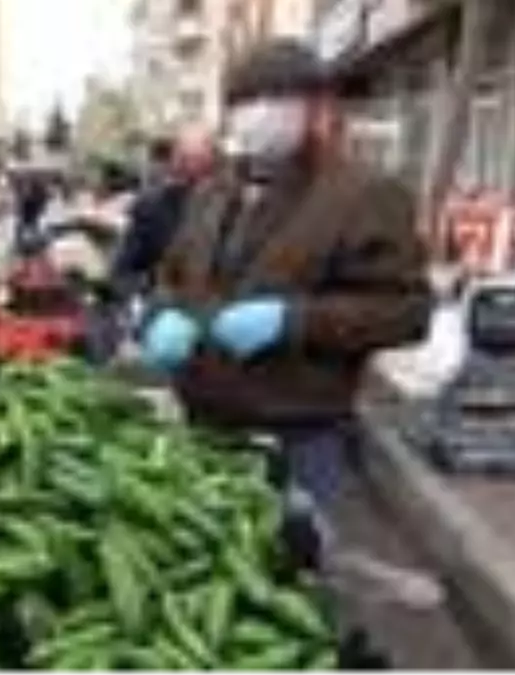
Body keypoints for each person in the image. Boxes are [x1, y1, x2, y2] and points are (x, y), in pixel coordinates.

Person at [135, 39, 432, 513]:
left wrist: (292, 321)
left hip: (299, 433)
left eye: (274, 101)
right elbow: (170, 277)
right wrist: (157, 316)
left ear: (316, 108)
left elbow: (407, 312)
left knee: (293, 566)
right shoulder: (212, 190)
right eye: (244, 102)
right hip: (206, 424)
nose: (257, 115)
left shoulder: (366, 194)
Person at [111, 125, 217, 294]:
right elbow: (123, 272)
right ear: (174, 161)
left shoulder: (233, 210)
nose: (189, 168)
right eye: (184, 159)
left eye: (198, 160)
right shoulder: (151, 207)